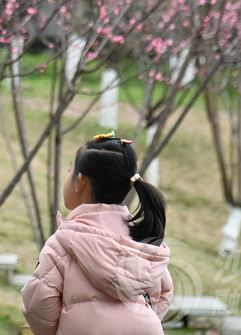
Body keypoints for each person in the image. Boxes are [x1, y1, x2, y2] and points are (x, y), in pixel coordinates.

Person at [21, 132, 173, 335]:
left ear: (80, 182)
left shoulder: (65, 242)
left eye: (69, 170)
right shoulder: (141, 239)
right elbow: (162, 292)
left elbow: (38, 303)